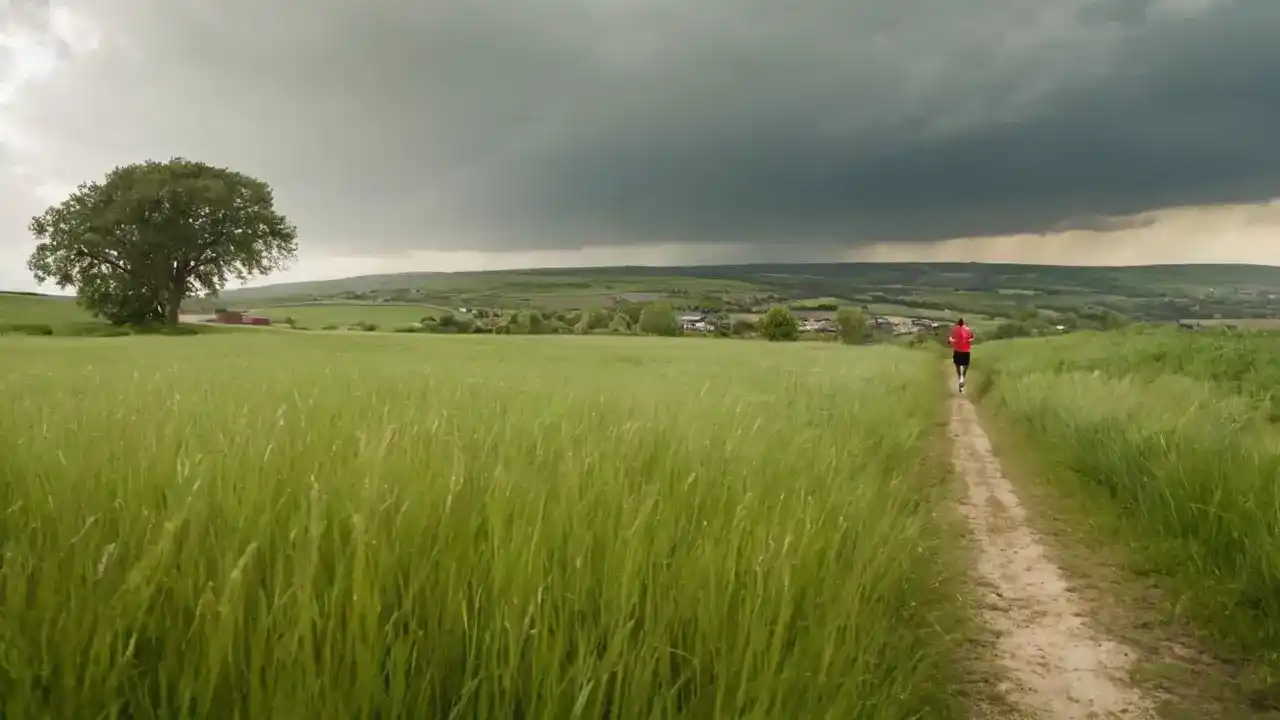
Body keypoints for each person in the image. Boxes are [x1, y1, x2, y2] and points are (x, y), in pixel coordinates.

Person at [948, 318, 975, 392]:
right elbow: (972, 337)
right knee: (966, 366)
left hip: (957, 350)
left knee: (958, 366)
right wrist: (969, 341)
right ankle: (962, 378)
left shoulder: (954, 330)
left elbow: (950, 338)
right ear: (963, 323)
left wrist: (952, 341)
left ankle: (960, 378)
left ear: (958, 323)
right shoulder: (968, 330)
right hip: (966, 351)